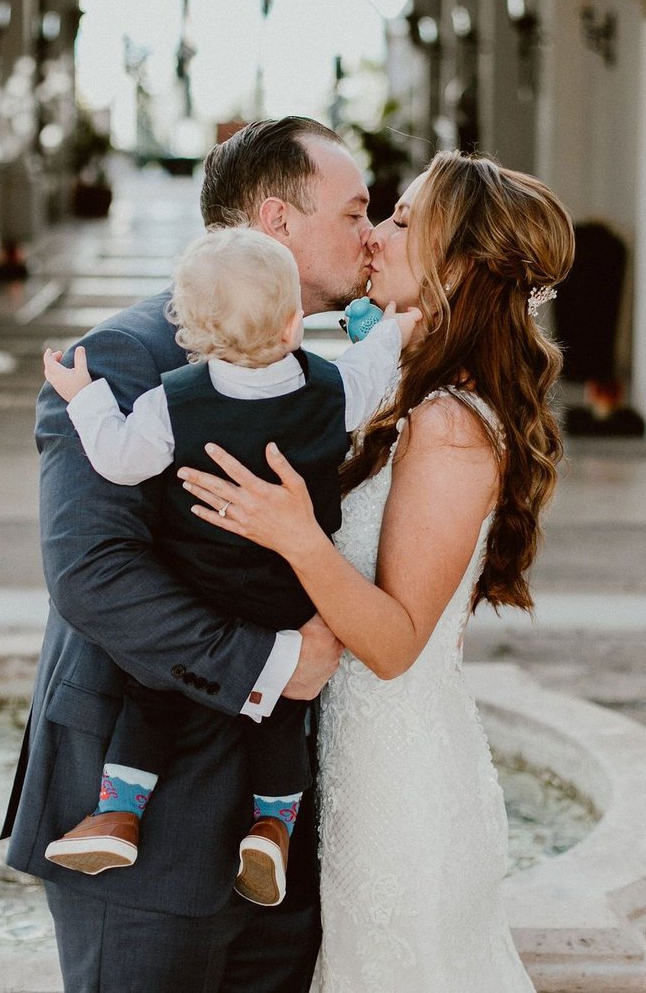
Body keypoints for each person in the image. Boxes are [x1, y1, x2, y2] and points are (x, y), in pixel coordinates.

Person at [178, 150, 574, 991]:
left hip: (399, 782)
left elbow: (395, 643)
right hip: (359, 759)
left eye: (401, 220)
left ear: (457, 263)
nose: (378, 237)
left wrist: (296, 535)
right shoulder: (414, 393)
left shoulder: (452, 426)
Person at [0, 116, 372, 993]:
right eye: (356, 213)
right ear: (277, 224)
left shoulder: (303, 368)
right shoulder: (128, 360)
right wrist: (280, 662)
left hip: (280, 824)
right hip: (147, 826)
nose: (370, 232)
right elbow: (95, 577)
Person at [37, 225, 414, 908]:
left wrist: (82, 395)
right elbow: (374, 376)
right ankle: (272, 827)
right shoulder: (328, 390)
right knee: (279, 718)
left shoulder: (172, 400)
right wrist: (393, 331)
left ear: (192, 332)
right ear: (296, 320)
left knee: (149, 698)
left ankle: (118, 814)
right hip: (286, 594)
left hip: (199, 583)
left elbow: (118, 457)